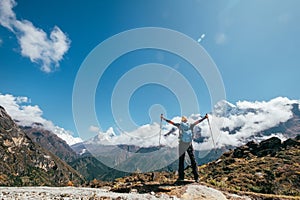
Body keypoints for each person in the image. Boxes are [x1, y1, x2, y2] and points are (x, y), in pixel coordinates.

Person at [161, 114, 208, 182]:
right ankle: (196, 177)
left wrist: (163, 118)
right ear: (186, 121)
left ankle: (181, 177)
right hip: (189, 144)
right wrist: (205, 118)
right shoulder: (191, 125)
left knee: (181, 160)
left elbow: (171, 122)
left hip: (182, 144)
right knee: (193, 160)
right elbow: (198, 121)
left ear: (182, 121)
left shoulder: (179, 125)